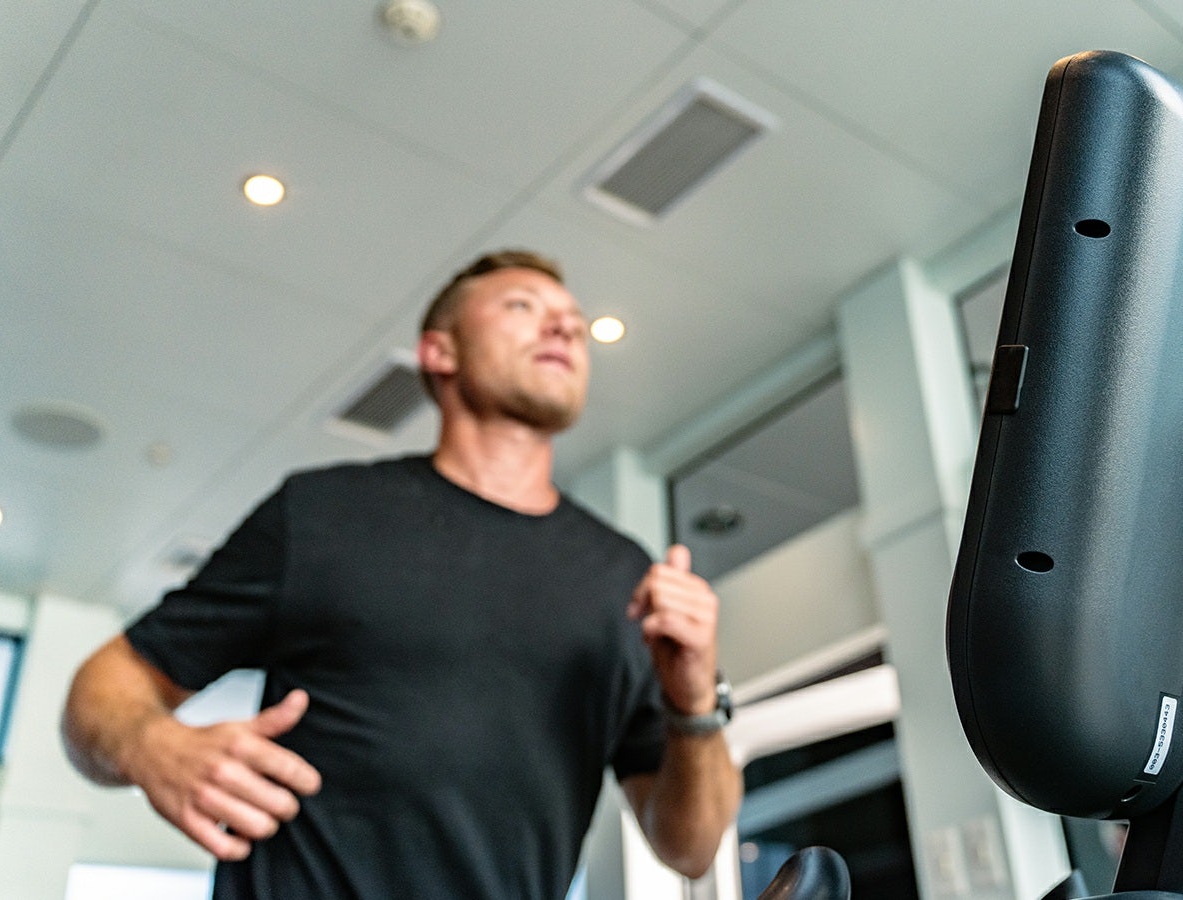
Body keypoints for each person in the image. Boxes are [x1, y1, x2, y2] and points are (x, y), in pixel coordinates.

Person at [61, 250, 743, 899]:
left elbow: (691, 846)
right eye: (521, 305)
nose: (565, 324)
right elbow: (107, 682)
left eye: (574, 319)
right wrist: (150, 745)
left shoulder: (622, 576)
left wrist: (693, 705)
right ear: (438, 352)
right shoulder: (322, 514)